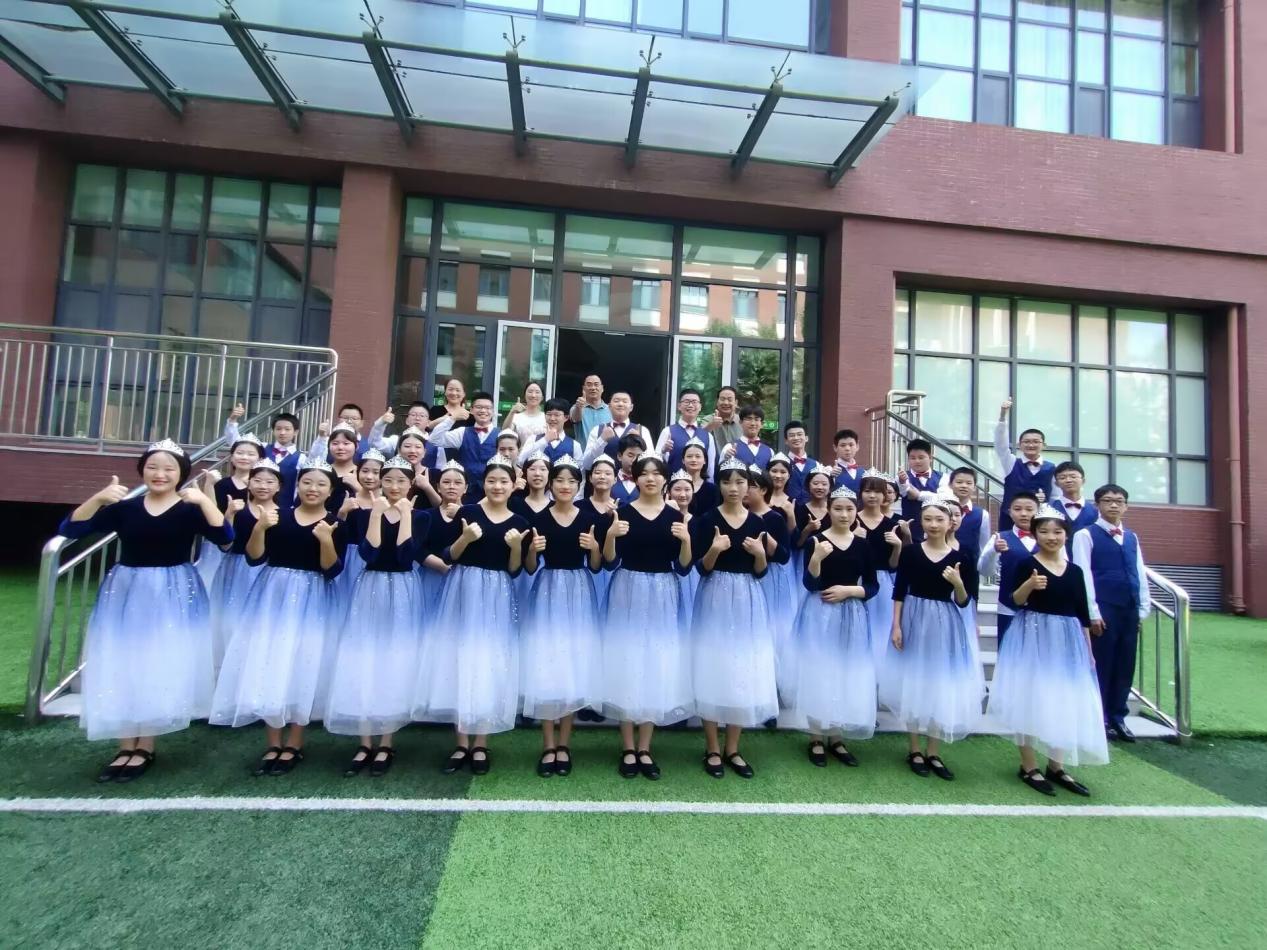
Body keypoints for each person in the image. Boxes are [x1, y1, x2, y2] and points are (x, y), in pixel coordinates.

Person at [60, 440, 230, 783]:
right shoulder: (126, 508)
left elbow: (225, 537)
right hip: (127, 589)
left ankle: (146, 745)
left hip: (173, 589)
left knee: (158, 662)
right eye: (153, 467)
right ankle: (125, 745)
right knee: (125, 661)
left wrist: (204, 501)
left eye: (169, 469)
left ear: (181, 474)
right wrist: (99, 498)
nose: (160, 474)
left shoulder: (189, 509)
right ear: (142, 471)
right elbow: (71, 529)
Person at [210, 455, 345, 777]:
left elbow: (332, 569)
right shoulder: (277, 515)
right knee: (270, 659)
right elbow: (255, 558)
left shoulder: (334, 522)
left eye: (321, 484)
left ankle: (295, 742)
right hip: (273, 594)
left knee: (303, 662)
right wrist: (259, 527)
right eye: (307, 482)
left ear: (330, 491)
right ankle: (273, 742)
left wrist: (326, 540)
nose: (313, 489)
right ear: (297, 485)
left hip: (313, 597)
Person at [413, 456, 529, 776]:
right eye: (492, 480)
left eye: (504, 481)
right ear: (483, 483)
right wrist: (465, 538)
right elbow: (449, 555)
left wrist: (516, 546)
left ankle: (481, 743)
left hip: (497, 593)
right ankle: (461, 742)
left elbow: (515, 569)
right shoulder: (468, 512)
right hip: (463, 587)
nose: (497, 486)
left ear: (513, 485)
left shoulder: (519, 521)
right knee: (462, 658)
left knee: (489, 660)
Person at [989, 505, 1106, 797]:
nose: (1051, 537)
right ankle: (1028, 766)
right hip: (1032, 634)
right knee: (1029, 696)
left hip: (1067, 640)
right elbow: (1014, 601)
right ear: (1035, 534)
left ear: (1066, 534)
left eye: (1057, 532)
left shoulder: (1075, 571)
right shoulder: (1025, 563)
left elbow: (1081, 613)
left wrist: (1088, 649)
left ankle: (1057, 765)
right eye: (1044, 531)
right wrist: (1030, 585)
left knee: (1063, 697)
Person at [325, 456, 430, 778]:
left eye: (401, 481)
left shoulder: (422, 516)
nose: (394, 486)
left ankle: (387, 740)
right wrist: (375, 515)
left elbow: (406, 555)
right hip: (370, 587)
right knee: (365, 656)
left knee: (395, 657)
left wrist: (406, 515)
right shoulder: (363, 513)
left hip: (403, 587)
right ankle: (364, 740)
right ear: (380, 482)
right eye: (389, 480)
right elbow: (368, 553)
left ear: (411, 484)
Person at [602, 454, 694, 780]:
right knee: (628, 660)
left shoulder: (676, 516)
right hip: (628, 588)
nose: (650, 479)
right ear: (635, 478)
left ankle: (645, 747)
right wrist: (611, 535)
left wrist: (686, 541)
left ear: (665, 479)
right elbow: (609, 562)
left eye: (656, 474)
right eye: (644, 473)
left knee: (656, 662)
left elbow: (684, 567)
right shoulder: (623, 513)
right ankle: (628, 747)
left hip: (664, 591)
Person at [881, 495, 983, 782]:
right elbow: (899, 590)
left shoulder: (962, 557)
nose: (934, 524)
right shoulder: (912, 553)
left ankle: (934, 751)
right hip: (914, 618)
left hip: (945, 622)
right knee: (915, 680)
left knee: (940, 682)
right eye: (928, 519)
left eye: (940, 519)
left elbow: (964, 601)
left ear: (951, 522)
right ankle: (914, 749)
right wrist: (896, 625)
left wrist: (958, 583)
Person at [690, 458, 778, 779]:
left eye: (741, 482)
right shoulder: (706, 520)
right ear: (720, 484)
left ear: (749, 487)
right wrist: (715, 549)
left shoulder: (757, 522)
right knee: (714, 664)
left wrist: (760, 555)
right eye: (727, 481)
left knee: (742, 666)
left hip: (747, 599)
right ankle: (712, 747)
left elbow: (761, 572)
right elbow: (700, 568)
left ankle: (733, 747)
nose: (734, 488)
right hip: (714, 594)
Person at [521, 455, 606, 777]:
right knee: (548, 661)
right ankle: (548, 744)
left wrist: (594, 548)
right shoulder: (538, 519)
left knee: (572, 661)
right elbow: (530, 567)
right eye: (559, 480)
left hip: (579, 589)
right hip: (548, 588)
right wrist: (532, 550)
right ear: (551, 484)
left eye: (571, 481)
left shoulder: (589, 519)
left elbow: (596, 566)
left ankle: (565, 744)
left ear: (579, 485)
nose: (565, 486)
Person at [786, 487, 879, 767]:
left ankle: (837, 736)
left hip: (852, 613)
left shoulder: (863, 544)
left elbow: (872, 585)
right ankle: (816, 736)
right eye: (838, 508)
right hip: (819, 611)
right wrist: (816, 558)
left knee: (844, 670)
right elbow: (810, 584)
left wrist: (850, 591)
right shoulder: (816, 541)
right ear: (829, 509)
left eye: (849, 509)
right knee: (819, 669)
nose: (844, 514)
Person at [1070, 484, 1151, 744]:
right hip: (1103, 609)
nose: (1113, 505)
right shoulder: (1086, 534)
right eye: (1107, 500)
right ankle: (1099, 717)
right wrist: (1092, 612)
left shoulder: (1132, 537)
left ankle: (1118, 717)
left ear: (1126, 506)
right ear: (1097, 505)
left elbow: (1139, 572)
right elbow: (1082, 574)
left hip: (1129, 608)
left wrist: (1142, 608)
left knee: (1125, 664)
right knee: (1102, 664)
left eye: (1119, 501)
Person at [209, 456, 280, 677]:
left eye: (269, 482)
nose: (263, 486)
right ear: (249, 482)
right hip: (235, 569)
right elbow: (224, 545)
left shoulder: (284, 513)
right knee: (229, 619)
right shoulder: (238, 508)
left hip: (267, 572)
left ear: (279, 486)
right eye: (257, 480)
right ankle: (225, 669)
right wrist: (229, 515)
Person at [197, 431, 264, 588]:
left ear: (260, 459)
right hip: (223, 542)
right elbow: (212, 511)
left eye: (250, 454)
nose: (244, 457)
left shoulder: (263, 487)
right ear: (232, 457)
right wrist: (209, 484)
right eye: (239, 453)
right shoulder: (222, 484)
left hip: (250, 542)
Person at [745, 467, 793, 684]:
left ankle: (771, 679)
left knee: (770, 627)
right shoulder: (739, 515)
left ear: (764, 489)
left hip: (770, 578)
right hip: (745, 577)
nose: (744, 490)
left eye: (750, 486)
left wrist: (766, 540)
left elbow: (784, 556)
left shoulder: (775, 518)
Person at [854, 471, 906, 667]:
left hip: (883, 582)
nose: (872, 496)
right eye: (868, 491)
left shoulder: (893, 526)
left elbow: (893, 565)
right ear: (860, 493)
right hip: (856, 580)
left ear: (885, 495)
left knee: (881, 626)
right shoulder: (851, 520)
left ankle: (878, 670)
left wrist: (898, 546)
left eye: (877, 491)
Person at [977, 491, 1040, 645]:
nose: (1023, 514)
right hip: (1008, 606)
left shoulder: (1049, 538)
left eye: (1029, 509)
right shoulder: (1000, 538)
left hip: (1042, 607)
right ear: (1010, 512)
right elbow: (984, 570)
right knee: (1007, 649)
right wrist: (994, 551)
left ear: (1038, 511)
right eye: (1017, 509)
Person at [224, 406, 315, 504]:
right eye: (278, 429)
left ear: (295, 432)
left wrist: (322, 438)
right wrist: (232, 421)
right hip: (256, 503)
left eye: (287, 429)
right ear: (273, 431)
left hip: (285, 506)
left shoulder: (301, 458)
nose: (282, 432)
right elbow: (237, 443)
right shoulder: (262, 447)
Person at [995, 397, 1056, 529]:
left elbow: (1056, 497)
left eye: (1036, 442)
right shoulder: (1011, 462)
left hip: (1040, 520)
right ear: (1019, 445)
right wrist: (1002, 416)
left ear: (1044, 445)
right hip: (1010, 519)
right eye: (1026, 442)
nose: (1031, 445)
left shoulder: (1052, 468)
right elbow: (1001, 445)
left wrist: (1045, 506)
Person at [334, 449, 385, 604]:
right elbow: (335, 533)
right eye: (365, 471)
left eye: (376, 472)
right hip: (348, 557)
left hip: (376, 556)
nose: (369, 477)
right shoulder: (346, 499)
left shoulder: (387, 502)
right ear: (357, 472)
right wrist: (342, 512)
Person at [427, 392, 499, 501]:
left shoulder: (501, 434)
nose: (483, 411)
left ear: (493, 411)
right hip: (465, 492)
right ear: (471, 410)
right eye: (479, 407)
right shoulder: (462, 432)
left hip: (492, 492)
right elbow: (434, 439)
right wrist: (452, 418)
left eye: (487, 408)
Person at [580, 391, 653, 470]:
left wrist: (640, 441)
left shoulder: (642, 431)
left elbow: (651, 463)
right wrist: (602, 439)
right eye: (616, 401)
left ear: (631, 407)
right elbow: (587, 464)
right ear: (609, 406)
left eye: (625, 401)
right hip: (604, 477)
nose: (620, 404)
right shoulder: (597, 430)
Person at [656, 388, 717, 475]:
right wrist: (663, 451)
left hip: (699, 483)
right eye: (686, 401)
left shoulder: (707, 436)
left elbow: (710, 467)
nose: (690, 405)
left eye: (694, 402)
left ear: (700, 407)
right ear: (679, 406)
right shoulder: (668, 431)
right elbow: (655, 461)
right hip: (673, 482)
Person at [947, 466, 991, 568]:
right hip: (943, 562)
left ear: (974, 487)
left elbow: (983, 545)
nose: (964, 486)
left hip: (970, 566)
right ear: (950, 485)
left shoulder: (982, 514)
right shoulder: (941, 509)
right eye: (959, 482)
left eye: (969, 483)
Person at [898, 439, 941, 541]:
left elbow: (944, 498)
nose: (917, 461)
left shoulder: (943, 477)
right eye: (912, 458)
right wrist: (903, 482)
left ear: (930, 458)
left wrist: (918, 495)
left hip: (936, 529)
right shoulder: (902, 477)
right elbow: (904, 492)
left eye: (921, 457)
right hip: (910, 530)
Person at [523, 397, 583, 464]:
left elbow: (580, 469)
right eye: (549, 414)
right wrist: (545, 440)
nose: (552, 418)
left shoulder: (575, 445)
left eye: (557, 415)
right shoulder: (533, 439)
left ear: (566, 417)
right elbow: (520, 461)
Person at [1051, 461, 1097, 543]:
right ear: (1056, 483)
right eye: (1062, 478)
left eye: (1073, 476)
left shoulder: (1095, 510)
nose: (1068, 480)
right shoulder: (1049, 508)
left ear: (1083, 480)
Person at [722, 405, 773, 470]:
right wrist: (726, 459)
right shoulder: (729, 448)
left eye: (756, 419)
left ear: (762, 424)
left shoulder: (770, 451)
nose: (753, 423)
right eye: (749, 419)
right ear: (740, 422)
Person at [569, 373, 611, 445]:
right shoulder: (576, 407)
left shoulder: (611, 410)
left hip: (605, 451)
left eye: (596, 384)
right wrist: (579, 407)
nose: (593, 388)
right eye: (589, 385)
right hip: (583, 451)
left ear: (602, 388)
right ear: (583, 388)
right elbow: (575, 419)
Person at [502, 380, 548, 446]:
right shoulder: (517, 417)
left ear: (542, 397)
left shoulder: (546, 417)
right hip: (521, 452)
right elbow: (504, 433)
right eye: (530, 392)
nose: (533, 395)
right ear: (524, 395)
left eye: (537, 392)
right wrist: (512, 412)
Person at [782, 421, 817, 503]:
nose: (796, 438)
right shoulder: (781, 463)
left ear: (806, 438)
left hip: (810, 508)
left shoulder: (816, 465)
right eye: (792, 435)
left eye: (799, 434)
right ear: (786, 441)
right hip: (786, 507)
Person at [682, 439, 719, 515]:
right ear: (683, 460)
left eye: (698, 456)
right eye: (689, 456)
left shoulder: (712, 489)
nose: (693, 459)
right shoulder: (675, 486)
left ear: (704, 460)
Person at [609, 434, 645, 505]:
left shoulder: (646, 482)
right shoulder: (609, 479)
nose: (634, 460)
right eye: (630, 455)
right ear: (619, 456)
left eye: (639, 456)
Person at [830, 429, 865, 496]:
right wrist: (829, 477)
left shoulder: (864, 473)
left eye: (851, 445)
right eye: (843, 445)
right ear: (835, 448)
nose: (847, 449)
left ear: (857, 446)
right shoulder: (829, 471)